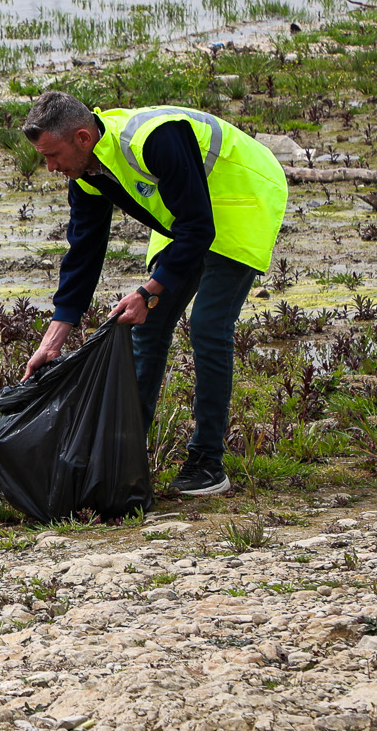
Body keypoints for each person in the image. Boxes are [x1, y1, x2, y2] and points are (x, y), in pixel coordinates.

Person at [18, 91, 288, 497]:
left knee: (208, 326)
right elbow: (83, 257)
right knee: (146, 325)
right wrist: (53, 342)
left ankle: (207, 462)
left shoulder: (154, 139)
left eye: (53, 155)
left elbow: (200, 230)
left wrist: (148, 290)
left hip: (243, 196)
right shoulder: (88, 173)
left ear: (82, 137)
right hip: (186, 213)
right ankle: (124, 455)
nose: (50, 166)